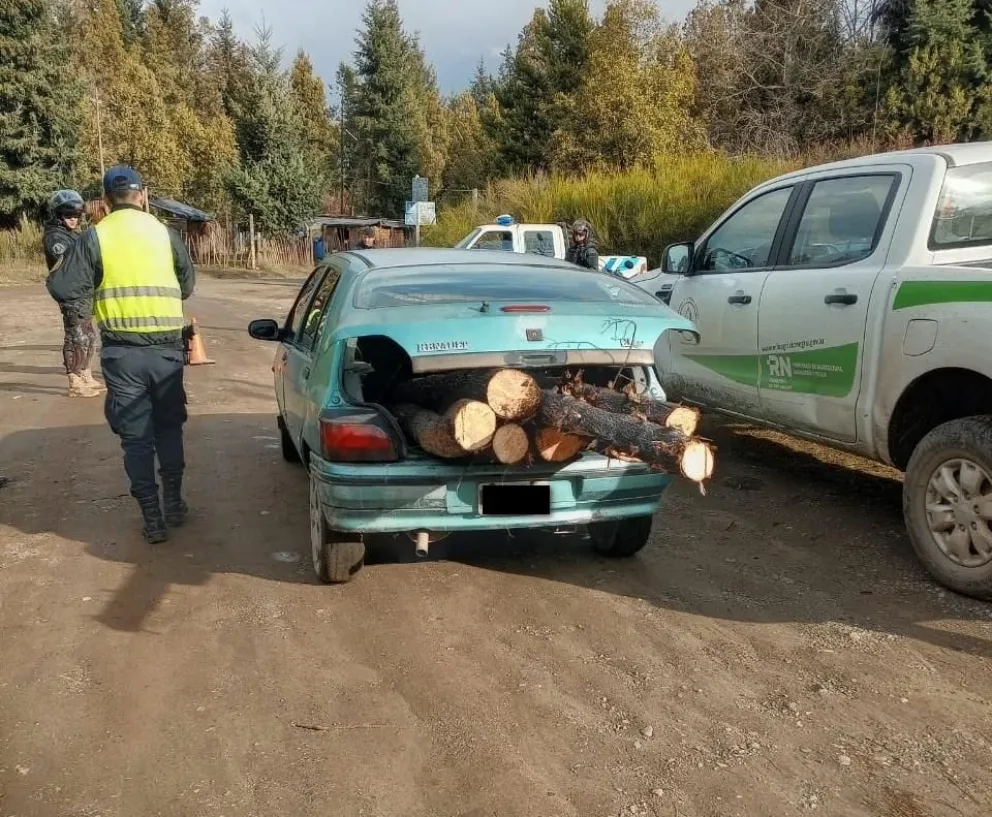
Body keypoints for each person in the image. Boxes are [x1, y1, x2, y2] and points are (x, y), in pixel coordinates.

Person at [48, 165, 196, 544]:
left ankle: (152, 519)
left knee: (136, 438)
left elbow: (65, 288)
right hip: (166, 352)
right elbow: (187, 284)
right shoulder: (165, 232)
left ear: (106, 199)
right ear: (142, 194)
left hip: (122, 354)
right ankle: (175, 503)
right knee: (168, 428)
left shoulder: (95, 236)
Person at [43, 190, 104, 398]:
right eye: (69, 216)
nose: (74, 220)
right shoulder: (54, 236)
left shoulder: (74, 235)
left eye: (77, 216)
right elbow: (70, 256)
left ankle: (85, 373)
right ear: (58, 216)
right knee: (75, 337)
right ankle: (74, 380)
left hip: (83, 290)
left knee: (88, 336)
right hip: (70, 291)